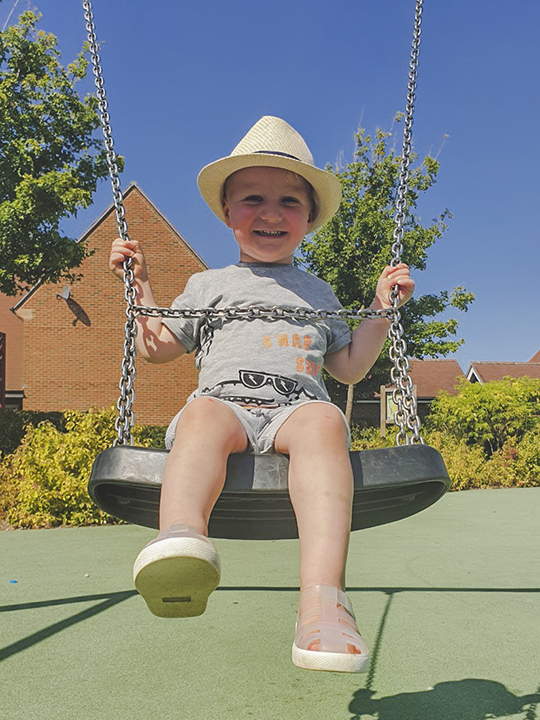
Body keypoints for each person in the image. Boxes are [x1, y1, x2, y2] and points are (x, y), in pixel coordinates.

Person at [109, 116, 414, 673]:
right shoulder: (209, 284)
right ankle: (181, 542)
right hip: (225, 402)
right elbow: (156, 347)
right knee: (201, 415)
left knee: (325, 421)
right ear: (228, 214)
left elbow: (347, 369)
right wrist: (140, 283)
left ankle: (324, 602)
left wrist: (380, 311)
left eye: (289, 202)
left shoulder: (317, 291)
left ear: (310, 219)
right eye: (253, 198)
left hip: (296, 410)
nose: (272, 213)